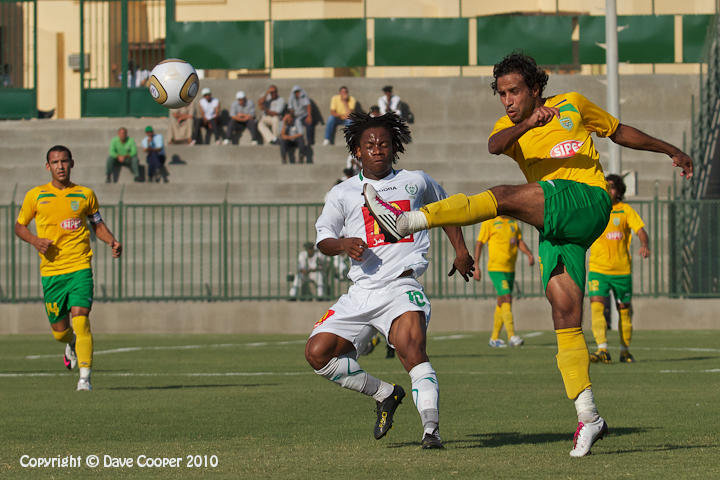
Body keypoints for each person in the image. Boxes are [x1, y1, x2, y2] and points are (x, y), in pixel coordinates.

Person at [362, 52, 693, 457]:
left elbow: (619, 131)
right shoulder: (510, 127)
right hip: (554, 222)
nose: (507, 100)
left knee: (501, 197)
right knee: (564, 316)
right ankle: (589, 417)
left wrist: (670, 150)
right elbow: (494, 145)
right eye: (501, 94)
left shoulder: (574, 104)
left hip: (587, 199)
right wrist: (526, 124)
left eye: (514, 91)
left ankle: (407, 222)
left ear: (535, 89)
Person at [304, 111, 474, 449]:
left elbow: (446, 211)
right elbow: (323, 239)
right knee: (317, 353)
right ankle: (384, 394)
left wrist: (461, 250)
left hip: (401, 285)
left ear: (395, 147)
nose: (377, 149)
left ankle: (431, 430)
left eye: (384, 144)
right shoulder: (342, 193)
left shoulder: (417, 181)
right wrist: (342, 244)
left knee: (412, 350)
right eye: (370, 145)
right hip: (362, 291)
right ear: (357, 152)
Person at [14, 145, 122, 391]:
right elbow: (19, 226)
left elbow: (98, 224)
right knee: (59, 331)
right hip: (52, 272)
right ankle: (70, 342)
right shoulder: (36, 196)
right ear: (47, 166)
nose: (60, 166)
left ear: (72, 163)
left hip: (80, 266)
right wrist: (34, 240)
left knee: (81, 318)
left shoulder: (85, 195)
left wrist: (111, 241)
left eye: (64, 161)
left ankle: (85, 378)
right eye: (55, 162)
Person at [587, 174, 650, 364]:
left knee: (624, 310)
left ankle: (625, 350)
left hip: (621, 270)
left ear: (619, 191)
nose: (609, 190)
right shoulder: (596, 210)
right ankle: (602, 349)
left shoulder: (626, 211)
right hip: (598, 268)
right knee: (596, 306)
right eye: (606, 186)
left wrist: (644, 244)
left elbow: (640, 230)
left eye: (612, 187)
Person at [473, 216, 534, 348]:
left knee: (502, 302)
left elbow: (519, 241)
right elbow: (479, 243)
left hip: (510, 269)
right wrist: (476, 265)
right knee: (507, 297)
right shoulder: (489, 222)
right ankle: (511, 336)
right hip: (496, 269)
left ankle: (494, 338)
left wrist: (529, 254)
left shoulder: (513, 222)